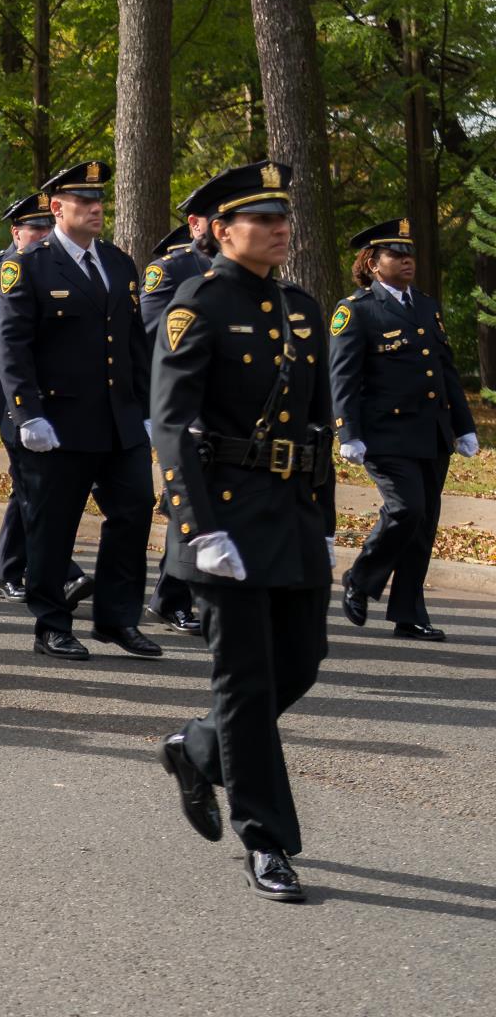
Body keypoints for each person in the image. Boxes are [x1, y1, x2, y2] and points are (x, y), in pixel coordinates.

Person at [150, 161, 334, 903]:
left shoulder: (302, 307)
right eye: (261, 219)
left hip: (289, 513)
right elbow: (171, 426)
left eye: (282, 217)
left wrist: (321, 518)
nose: (279, 228)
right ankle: (266, 839)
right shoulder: (198, 303)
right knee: (249, 682)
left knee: (303, 662)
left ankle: (197, 748)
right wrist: (197, 530)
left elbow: (317, 422)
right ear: (223, 231)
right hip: (223, 514)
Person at [0, 161, 159, 662]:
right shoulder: (27, 265)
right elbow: (12, 346)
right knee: (52, 524)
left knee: (133, 512)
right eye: (83, 201)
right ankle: (52, 622)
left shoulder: (117, 261)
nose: (95, 208)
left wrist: (146, 406)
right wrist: (27, 414)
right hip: (58, 422)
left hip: (118, 420)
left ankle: (116, 617)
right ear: (56, 207)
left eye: (99, 200)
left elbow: (133, 341)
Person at [331, 217, 476, 643]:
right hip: (384, 435)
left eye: (410, 252)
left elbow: (446, 371)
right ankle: (361, 577)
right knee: (405, 509)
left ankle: (409, 613)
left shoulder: (426, 306)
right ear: (373, 263)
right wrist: (348, 433)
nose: (407, 259)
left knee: (423, 523)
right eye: (396, 253)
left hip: (431, 433)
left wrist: (464, 427)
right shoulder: (356, 310)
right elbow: (343, 377)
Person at [0, 191, 86, 603]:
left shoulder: (64, 269)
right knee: (34, 485)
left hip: (52, 400)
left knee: (28, 488)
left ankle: (7, 569)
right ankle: (64, 572)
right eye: (36, 229)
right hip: (9, 402)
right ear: (17, 233)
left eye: (48, 227)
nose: (45, 235)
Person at [135, 193, 217, 635]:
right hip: (185, 410)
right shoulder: (168, 270)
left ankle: (174, 596)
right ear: (196, 223)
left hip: (227, 414)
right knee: (187, 498)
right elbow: (150, 343)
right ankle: (171, 598)